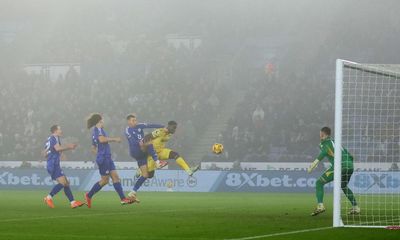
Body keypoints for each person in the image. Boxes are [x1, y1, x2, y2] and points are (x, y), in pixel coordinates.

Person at [308, 127, 360, 216]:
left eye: (320, 134)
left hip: (340, 166)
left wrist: (313, 164)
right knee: (343, 186)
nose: (320, 136)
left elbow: (323, 152)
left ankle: (320, 206)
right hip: (350, 166)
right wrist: (348, 163)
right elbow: (350, 156)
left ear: (323, 134)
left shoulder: (325, 143)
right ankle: (356, 207)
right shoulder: (337, 143)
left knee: (319, 183)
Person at [84, 113, 134, 208]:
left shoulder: (100, 130)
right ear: (99, 121)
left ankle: (123, 199)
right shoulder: (97, 131)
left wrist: (99, 154)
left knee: (115, 177)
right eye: (102, 120)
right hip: (104, 159)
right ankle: (88, 195)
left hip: (107, 157)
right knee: (104, 181)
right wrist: (115, 139)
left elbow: (93, 148)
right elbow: (102, 140)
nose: (104, 122)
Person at [124, 114, 167, 200]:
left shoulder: (139, 126)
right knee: (150, 143)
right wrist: (141, 144)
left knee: (147, 175)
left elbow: (151, 125)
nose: (135, 122)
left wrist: (163, 127)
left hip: (142, 152)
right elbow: (132, 141)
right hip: (136, 150)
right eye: (133, 120)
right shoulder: (128, 130)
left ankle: (132, 192)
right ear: (128, 122)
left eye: (135, 120)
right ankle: (157, 162)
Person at [43, 125, 85, 209]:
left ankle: (73, 202)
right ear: (55, 131)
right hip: (53, 164)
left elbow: (45, 152)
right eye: (59, 129)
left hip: (54, 163)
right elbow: (57, 149)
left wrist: (56, 155)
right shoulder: (53, 138)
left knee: (66, 183)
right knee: (62, 183)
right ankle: (48, 197)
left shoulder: (54, 139)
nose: (61, 130)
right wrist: (69, 147)